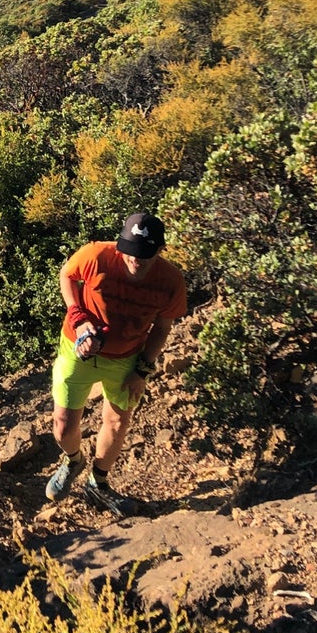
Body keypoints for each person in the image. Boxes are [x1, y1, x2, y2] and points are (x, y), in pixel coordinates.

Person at [45, 211, 187, 516]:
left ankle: (98, 484)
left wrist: (142, 370)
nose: (136, 260)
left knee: (118, 421)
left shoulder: (170, 281)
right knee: (62, 426)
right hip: (78, 348)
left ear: (160, 250)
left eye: (145, 256)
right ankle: (73, 460)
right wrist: (79, 318)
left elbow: (162, 328)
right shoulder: (97, 255)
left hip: (127, 357)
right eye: (131, 253)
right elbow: (67, 275)